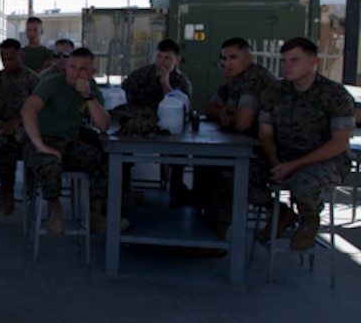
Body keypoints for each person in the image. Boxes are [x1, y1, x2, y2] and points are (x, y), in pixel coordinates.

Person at [256, 36, 353, 250]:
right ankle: (281, 213)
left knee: (303, 184)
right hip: (282, 157)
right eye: (284, 61)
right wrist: (274, 162)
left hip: (325, 160)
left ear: (313, 62)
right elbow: (265, 134)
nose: (287, 66)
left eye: (294, 60)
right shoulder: (275, 92)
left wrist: (293, 166)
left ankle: (310, 217)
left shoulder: (334, 95)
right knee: (239, 174)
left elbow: (339, 142)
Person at [21, 47, 123, 234]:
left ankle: (95, 214)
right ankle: (54, 208)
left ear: (91, 72)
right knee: (50, 164)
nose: (76, 73)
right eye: (72, 67)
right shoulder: (51, 84)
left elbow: (103, 125)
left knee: (101, 159)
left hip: (68, 141)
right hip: (40, 139)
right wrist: (40, 145)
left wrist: (88, 97)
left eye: (83, 69)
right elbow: (28, 109)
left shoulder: (91, 90)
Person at [197, 38, 278, 237]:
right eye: (224, 58)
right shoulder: (235, 82)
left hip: (271, 151)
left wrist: (228, 115)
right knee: (204, 164)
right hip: (248, 145)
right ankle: (202, 227)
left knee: (226, 172)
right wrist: (225, 111)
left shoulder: (254, 78)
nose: (227, 63)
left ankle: (218, 235)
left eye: (234, 57)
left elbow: (243, 123)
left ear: (249, 58)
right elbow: (209, 107)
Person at [120, 38, 193, 198]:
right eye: (159, 56)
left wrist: (165, 83)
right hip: (139, 124)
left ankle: (176, 184)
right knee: (121, 145)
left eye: (167, 58)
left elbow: (179, 106)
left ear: (177, 60)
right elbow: (122, 99)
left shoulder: (181, 81)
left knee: (180, 147)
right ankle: (124, 188)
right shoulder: (141, 75)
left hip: (169, 127)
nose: (162, 61)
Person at [0, 39, 39, 216]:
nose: (7, 63)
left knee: (14, 143)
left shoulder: (33, 80)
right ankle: (7, 192)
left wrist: (17, 121)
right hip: (0, 128)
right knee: (1, 142)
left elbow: (38, 109)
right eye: (4, 59)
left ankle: (22, 188)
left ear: (21, 56)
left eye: (11, 59)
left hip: (25, 128)